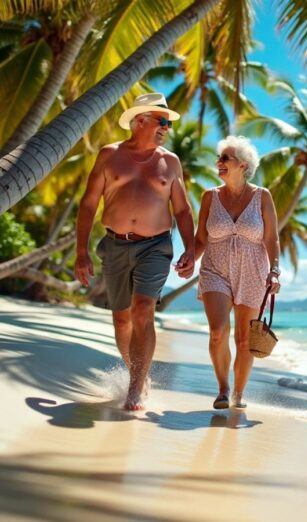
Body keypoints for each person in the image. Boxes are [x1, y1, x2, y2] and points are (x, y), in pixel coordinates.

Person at [75, 92, 195, 411]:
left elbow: (182, 210)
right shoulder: (109, 155)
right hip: (114, 244)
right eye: (162, 121)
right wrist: (81, 252)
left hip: (155, 245)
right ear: (140, 119)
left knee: (143, 308)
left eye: (168, 123)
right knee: (121, 320)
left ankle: (136, 386)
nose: (167, 128)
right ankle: (136, 373)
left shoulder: (170, 162)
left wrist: (191, 249)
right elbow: (88, 205)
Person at [194, 135, 281, 409]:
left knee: (244, 340)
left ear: (243, 165)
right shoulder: (210, 197)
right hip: (215, 270)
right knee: (217, 331)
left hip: (254, 272)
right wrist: (188, 258)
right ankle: (222, 389)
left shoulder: (262, 196)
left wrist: (275, 270)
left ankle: (239, 395)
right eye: (219, 157)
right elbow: (200, 239)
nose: (218, 162)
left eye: (225, 158)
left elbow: (272, 239)